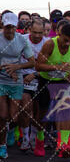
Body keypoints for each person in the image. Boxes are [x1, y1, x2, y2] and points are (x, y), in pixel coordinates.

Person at [36, 22, 70, 158]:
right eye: (64, 40)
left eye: (69, 40)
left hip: (63, 80)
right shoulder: (50, 44)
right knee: (43, 114)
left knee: (66, 107)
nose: (67, 44)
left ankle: (63, 144)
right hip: (46, 80)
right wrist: (56, 67)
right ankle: (39, 138)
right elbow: (38, 66)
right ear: (58, 35)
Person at [0, 12, 35, 158]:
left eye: (12, 27)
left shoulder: (21, 40)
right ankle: (2, 146)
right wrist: (7, 69)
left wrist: (17, 68)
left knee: (13, 117)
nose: (9, 30)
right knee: (2, 115)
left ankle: (8, 130)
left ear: (16, 27)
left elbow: (32, 62)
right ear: (2, 26)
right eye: (7, 27)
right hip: (1, 80)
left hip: (16, 81)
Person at [19, 19, 47, 154]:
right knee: (26, 107)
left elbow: (51, 66)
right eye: (34, 32)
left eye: (40, 33)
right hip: (23, 79)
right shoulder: (21, 40)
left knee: (40, 112)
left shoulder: (48, 43)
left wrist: (35, 74)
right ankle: (24, 137)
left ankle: (33, 136)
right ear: (29, 30)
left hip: (41, 79)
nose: (37, 36)